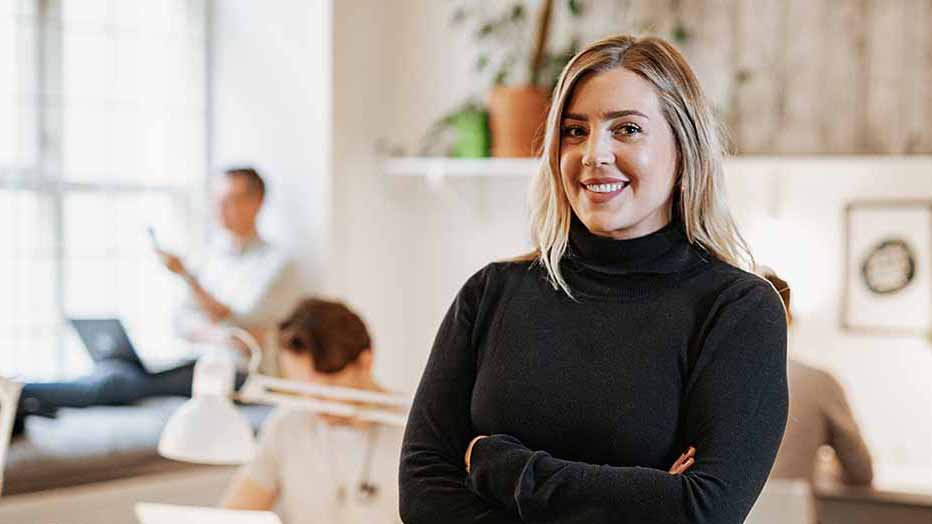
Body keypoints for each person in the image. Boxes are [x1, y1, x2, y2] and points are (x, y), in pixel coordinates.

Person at [399, 34, 788, 523]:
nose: (593, 154)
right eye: (575, 130)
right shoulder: (491, 293)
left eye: (626, 129)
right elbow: (421, 495)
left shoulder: (736, 309)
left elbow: (701, 510)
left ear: (684, 150)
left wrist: (503, 468)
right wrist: (640, 497)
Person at [14, 167, 298, 432]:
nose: (220, 210)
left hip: (234, 373)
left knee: (118, 382)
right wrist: (220, 333)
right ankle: (26, 399)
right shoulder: (211, 257)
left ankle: (19, 392)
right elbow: (183, 323)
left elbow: (234, 321)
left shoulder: (276, 263)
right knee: (116, 368)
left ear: (257, 202)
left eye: (231, 201)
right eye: (218, 201)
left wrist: (189, 279)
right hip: (190, 358)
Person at [221, 298, 404, 524]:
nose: (314, 401)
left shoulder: (411, 431)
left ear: (365, 362)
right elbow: (233, 515)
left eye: (328, 385)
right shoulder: (287, 424)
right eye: (301, 387)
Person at [763, 270, 874, 486]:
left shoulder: (711, 381)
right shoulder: (819, 383)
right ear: (790, 317)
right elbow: (861, 470)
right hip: (786, 514)